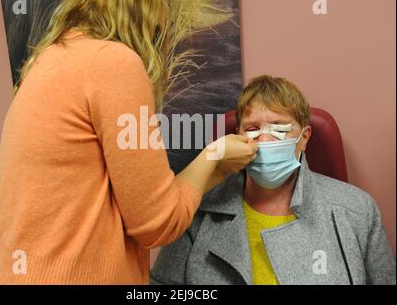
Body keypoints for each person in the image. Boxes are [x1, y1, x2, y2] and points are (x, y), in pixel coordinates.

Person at [0, 0, 258, 284]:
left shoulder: (50, 58)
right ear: (149, 6)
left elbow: (121, 199)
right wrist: (214, 154)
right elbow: (158, 224)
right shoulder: (113, 63)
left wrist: (215, 169)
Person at [151, 75, 396, 285]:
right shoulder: (197, 212)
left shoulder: (356, 210)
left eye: (279, 129)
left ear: (304, 137)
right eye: (252, 129)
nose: (265, 141)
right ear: (236, 137)